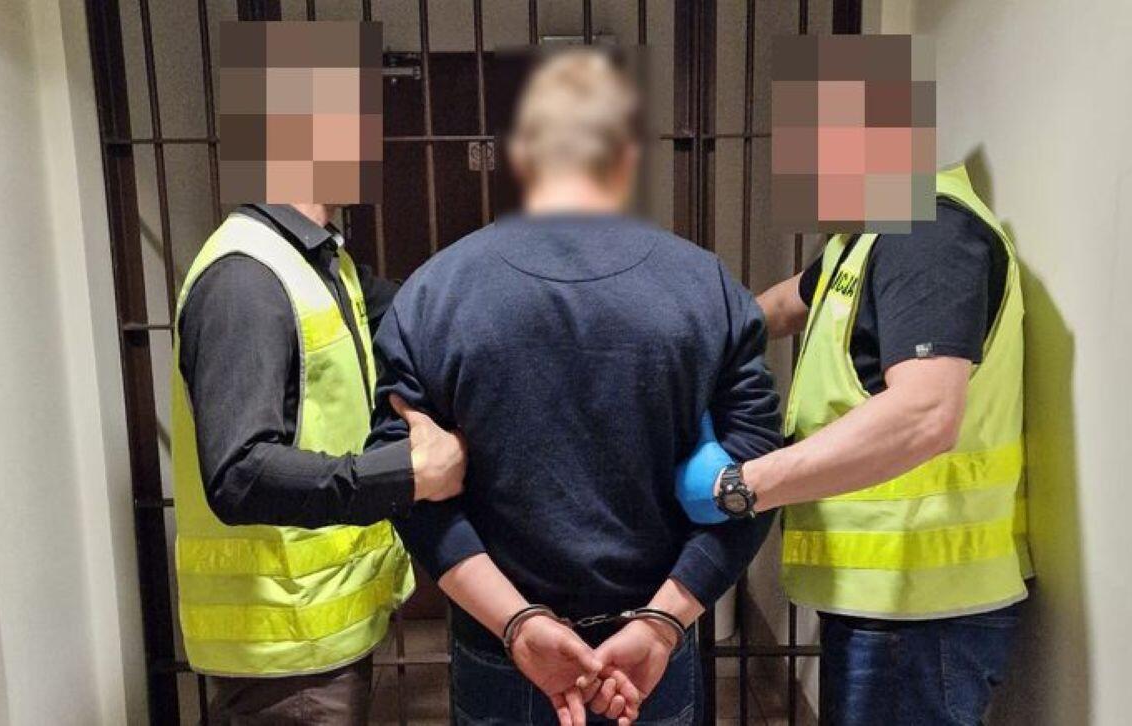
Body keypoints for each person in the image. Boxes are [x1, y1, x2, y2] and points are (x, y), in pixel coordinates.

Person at [368, 50, 782, 725]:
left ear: (521, 155)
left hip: (501, 649)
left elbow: (407, 486)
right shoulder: (706, 287)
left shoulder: (433, 293)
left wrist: (518, 623)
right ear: (626, 155)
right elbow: (757, 477)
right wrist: (663, 620)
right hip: (650, 652)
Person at [676, 163, 1033, 725]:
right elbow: (787, 303)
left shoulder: (927, 235)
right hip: (891, 603)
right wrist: (683, 339)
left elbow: (925, 414)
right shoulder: (865, 238)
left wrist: (739, 487)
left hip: (920, 605)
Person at [172, 201, 466, 724]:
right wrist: (409, 474)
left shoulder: (320, 260)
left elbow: (424, 307)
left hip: (313, 633)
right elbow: (240, 475)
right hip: (285, 647)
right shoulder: (245, 278)